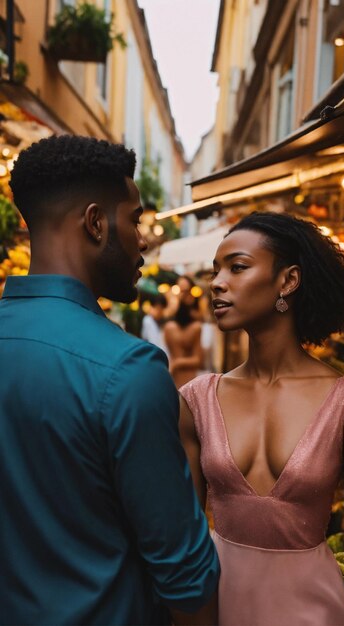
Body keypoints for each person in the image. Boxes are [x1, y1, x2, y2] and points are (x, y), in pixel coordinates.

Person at [0, 135, 219, 626]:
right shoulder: (127, 370)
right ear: (97, 223)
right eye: (135, 220)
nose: (144, 239)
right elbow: (185, 575)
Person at [179, 211, 344, 625]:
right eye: (216, 271)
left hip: (314, 610)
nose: (216, 282)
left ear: (288, 281)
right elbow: (187, 531)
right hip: (218, 603)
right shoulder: (195, 400)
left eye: (237, 267)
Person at [164, 275, 203, 389]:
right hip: (172, 378)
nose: (183, 295)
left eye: (186, 291)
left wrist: (177, 363)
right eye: (180, 290)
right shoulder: (169, 326)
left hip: (189, 381)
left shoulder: (196, 326)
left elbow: (198, 360)